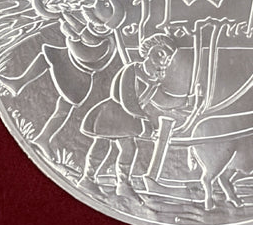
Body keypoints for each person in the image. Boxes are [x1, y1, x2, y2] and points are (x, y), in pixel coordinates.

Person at [0, 0, 125, 160]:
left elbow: (84, 49)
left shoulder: (105, 41)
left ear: (108, 19)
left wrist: (71, 34)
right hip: (68, 64)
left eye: (105, 5)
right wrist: (65, 18)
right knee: (46, 57)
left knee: (63, 105)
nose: (99, 0)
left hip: (78, 77)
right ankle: (19, 83)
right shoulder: (94, 30)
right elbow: (79, 30)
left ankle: (44, 138)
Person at [77, 33, 191, 200]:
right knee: (103, 144)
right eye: (160, 53)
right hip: (112, 113)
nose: (163, 60)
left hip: (127, 119)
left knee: (128, 148)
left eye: (167, 57)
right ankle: (88, 178)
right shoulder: (132, 70)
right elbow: (127, 99)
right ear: (149, 52)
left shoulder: (153, 81)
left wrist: (187, 100)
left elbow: (161, 101)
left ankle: (122, 184)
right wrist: (144, 119)